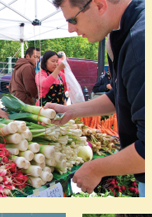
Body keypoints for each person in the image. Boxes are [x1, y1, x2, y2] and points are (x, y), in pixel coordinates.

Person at [47, 0, 145, 195]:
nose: (69, 29)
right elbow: (119, 94)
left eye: (73, 19)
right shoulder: (123, 32)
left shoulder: (139, 46)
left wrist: (96, 168)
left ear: (99, 5)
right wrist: (72, 111)